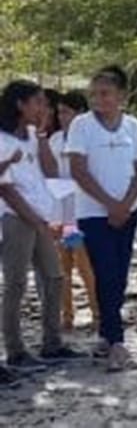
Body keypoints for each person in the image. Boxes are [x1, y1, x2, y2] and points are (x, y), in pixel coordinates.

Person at [66, 65, 137, 372]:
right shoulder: (82, 126)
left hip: (127, 211)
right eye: (95, 94)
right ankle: (117, 341)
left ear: (121, 96)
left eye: (105, 93)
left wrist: (125, 204)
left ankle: (105, 333)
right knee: (106, 272)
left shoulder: (133, 126)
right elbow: (78, 169)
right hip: (93, 213)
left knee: (120, 275)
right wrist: (109, 204)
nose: (99, 99)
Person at [0, 80, 82, 371]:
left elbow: (49, 171)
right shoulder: (2, 139)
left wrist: (44, 135)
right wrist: (34, 220)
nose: (43, 109)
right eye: (38, 103)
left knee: (54, 276)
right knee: (16, 284)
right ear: (20, 105)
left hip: (40, 216)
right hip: (15, 218)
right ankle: (15, 350)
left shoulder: (35, 135)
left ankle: (52, 343)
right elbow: (5, 189)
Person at [49, 90, 99, 331]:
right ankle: (67, 316)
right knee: (62, 270)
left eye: (66, 112)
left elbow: (86, 177)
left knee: (85, 266)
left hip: (80, 215)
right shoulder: (55, 140)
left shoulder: (90, 138)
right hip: (60, 214)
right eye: (59, 112)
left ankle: (97, 313)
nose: (61, 117)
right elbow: (51, 177)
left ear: (80, 113)